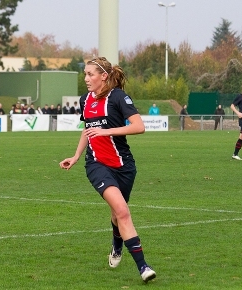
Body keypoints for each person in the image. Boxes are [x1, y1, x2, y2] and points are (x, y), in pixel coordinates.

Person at [59, 56, 156, 283]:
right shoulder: (85, 100)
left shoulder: (119, 97)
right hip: (97, 165)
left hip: (124, 166)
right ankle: (143, 267)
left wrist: (105, 132)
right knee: (122, 211)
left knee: (117, 214)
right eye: (85, 74)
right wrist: (75, 156)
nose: (86, 78)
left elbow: (139, 127)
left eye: (90, 74)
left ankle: (116, 245)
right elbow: (87, 130)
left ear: (104, 76)